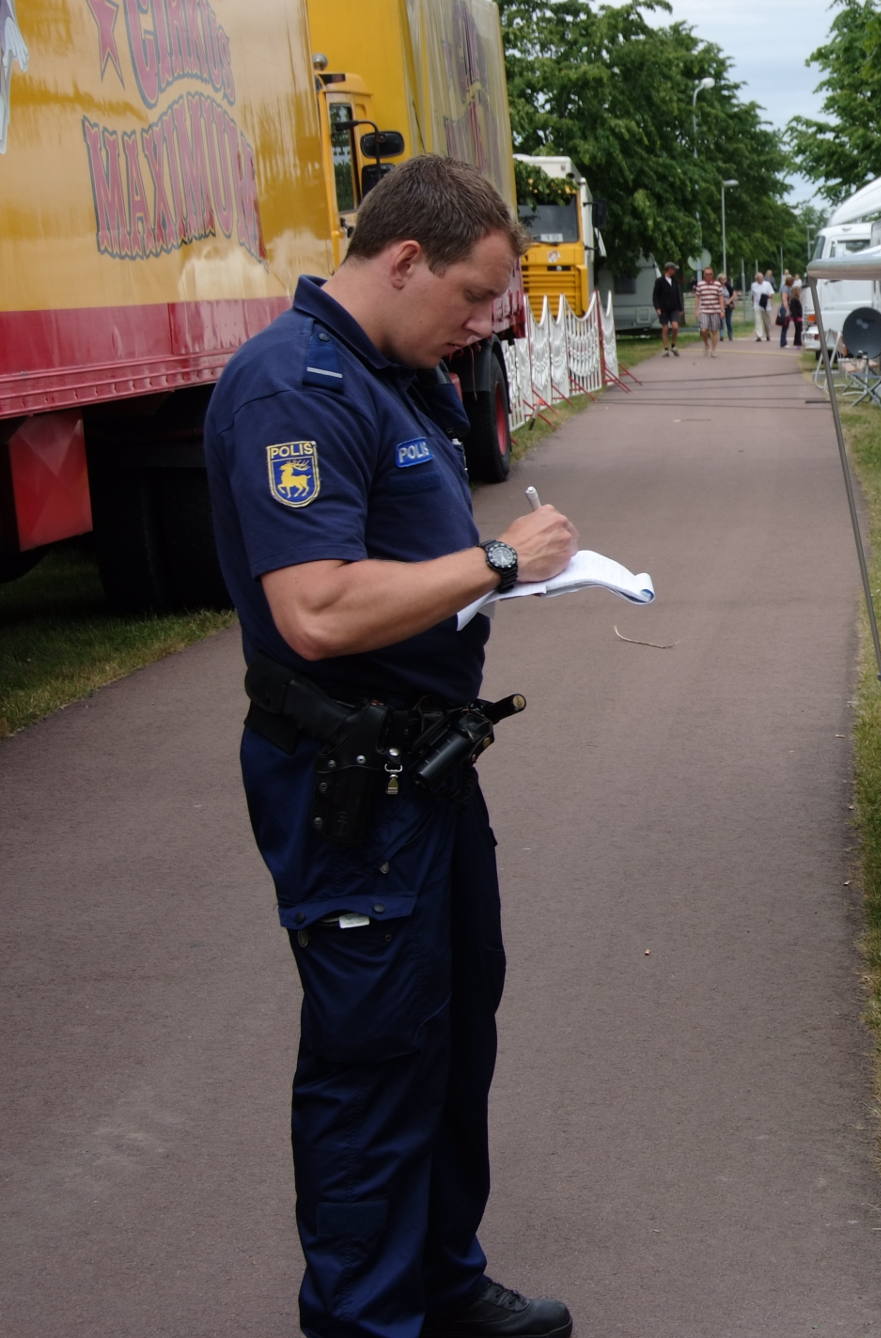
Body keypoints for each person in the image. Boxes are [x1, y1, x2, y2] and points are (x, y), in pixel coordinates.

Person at [203, 154, 580, 1338]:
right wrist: (500, 564)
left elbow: (403, 570)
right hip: (351, 783)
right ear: (404, 258)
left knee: (453, 1032)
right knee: (374, 1060)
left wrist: (477, 582)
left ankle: (438, 1281)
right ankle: (366, 1321)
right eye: (472, 296)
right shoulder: (293, 387)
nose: (484, 323)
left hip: (428, 767)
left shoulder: (400, 373)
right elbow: (314, 611)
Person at [693, 265, 727, 358]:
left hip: (715, 310)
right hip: (704, 310)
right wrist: (696, 310)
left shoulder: (717, 284)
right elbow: (697, 297)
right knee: (703, 330)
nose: (708, 276)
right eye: (707, 274)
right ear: (704, 275)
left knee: (714, 331)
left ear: (713, 275)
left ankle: (713, 350)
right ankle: (706, 344)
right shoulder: (700, 284)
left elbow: (720, 298)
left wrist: (722, 310)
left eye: (710, 274)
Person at [652, 262, 683, 356]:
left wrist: (680, 308)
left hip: (674, 308)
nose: (674, 271)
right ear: (669, 269)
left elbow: (678, 295)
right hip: (663, 309)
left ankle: (673, 345)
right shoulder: (659, 281)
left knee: (675, 327)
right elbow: (655, 296)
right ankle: (666, 349)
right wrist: (657, 308)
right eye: (673, 269)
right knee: (665, 328)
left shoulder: (675, 281)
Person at [751, 270, 775, 341]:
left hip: (766, 306)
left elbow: (772, 294)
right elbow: (753, 295)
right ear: (756, 279)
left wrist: (766, 297)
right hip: (757, 305)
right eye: (759, 279)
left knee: (766, 322)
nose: (760, 280)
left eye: (761, 278)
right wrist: (753, 304)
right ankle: (759, 336)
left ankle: (767, 334)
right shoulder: (753, 285)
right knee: (758, 320)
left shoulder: (767, 284)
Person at [775, 271, 795, 348]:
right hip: (785, 308)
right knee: (785, 326)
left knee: (785, 326)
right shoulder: (786, 288)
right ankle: (783, 343)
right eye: (792, 282)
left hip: (785, 307)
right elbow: (784, 299)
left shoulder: (785, 287)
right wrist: (787, 310)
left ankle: (783, 342)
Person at [721, 275, 737, 341]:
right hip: (721, 306)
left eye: (725, 279)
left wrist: (729, 301)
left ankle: (730, 335)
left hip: (729, 306)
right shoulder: (717, 287)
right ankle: (721, 336)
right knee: (721, 321)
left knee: (728, 321)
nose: (724, 281)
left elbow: (734, 294)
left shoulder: (728, 286)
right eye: (722, 279)